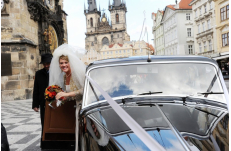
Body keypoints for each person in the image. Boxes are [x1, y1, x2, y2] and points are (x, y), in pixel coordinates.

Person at [49, 44, 86, 151]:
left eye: (66, 62)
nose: (63, 65)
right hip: (75, 110)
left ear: (71, 63)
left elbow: (84, 90)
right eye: (61, 63)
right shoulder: (65, 76)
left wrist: (66, 94)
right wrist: (62, 98)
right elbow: (70, 95)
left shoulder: (77, 73)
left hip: (83, 108)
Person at [32, 53, 53, 148]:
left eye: (48, 63)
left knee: (53, 123)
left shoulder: (57, 72)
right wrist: (35, 104)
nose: (46, 66)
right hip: (43, 103)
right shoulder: (38, 73)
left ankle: (54, 143)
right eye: (44, 64)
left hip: (54, 103)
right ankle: (44, 143)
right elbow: (36, 90)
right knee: (44, 123)